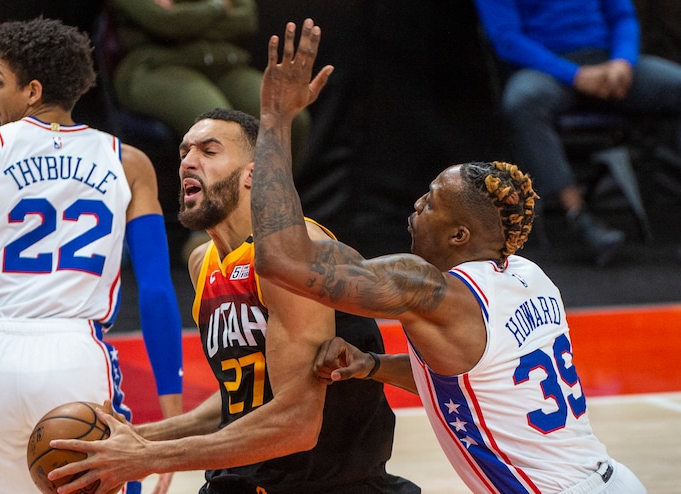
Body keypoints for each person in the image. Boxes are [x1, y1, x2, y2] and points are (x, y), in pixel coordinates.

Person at [249, 19, 648, 493]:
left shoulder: (426, 287)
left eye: (432, 200)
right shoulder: (530, 275)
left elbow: (280, 259)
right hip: (615, 480)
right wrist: (373, 364)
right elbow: (479, 380)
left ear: (460, 234)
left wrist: (275, 120)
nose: (417, 203)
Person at [47, 106, 420, 494]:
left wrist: (148, 456)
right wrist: (139, 437)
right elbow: (242, 394)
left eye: (209, 151)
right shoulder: (203, 262)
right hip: (245, 479)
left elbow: (296, 423)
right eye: (185, 152)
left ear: (253, 175)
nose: (189, 162)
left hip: (328, 484)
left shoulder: (297, 256)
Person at [0, 17, 183, 494]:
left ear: (32, 91)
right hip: (75, 355)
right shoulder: (128, 162)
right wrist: (172, 420)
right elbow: (156, 289)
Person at [471, 0, 681, 266]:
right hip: (546, 70)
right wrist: (575, 75)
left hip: (609, 64)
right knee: (522, 101)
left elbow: (622, 16)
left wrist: (623, 62)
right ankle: (578, 216)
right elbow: (507, 39)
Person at [106, 0, 312, 262]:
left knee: (289, 117)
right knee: (218, 126)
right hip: (155, 66)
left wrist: (184, 17)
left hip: (223, 64)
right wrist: (218, 8)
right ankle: (212, 226)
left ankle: (267, 218)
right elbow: (164, 22)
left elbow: (245, 18)